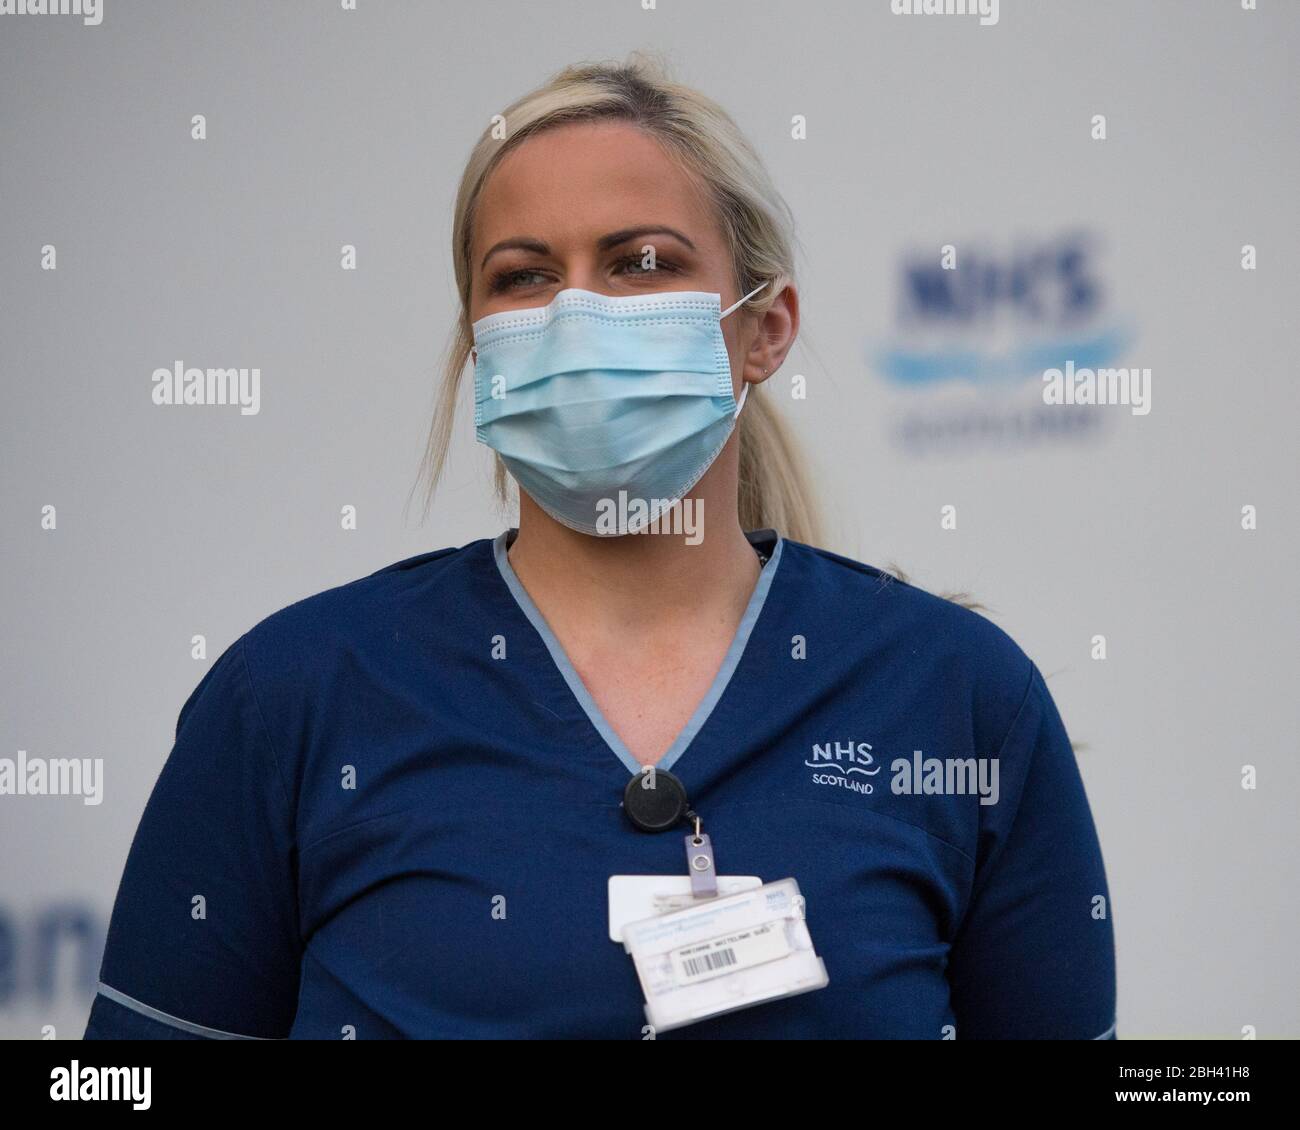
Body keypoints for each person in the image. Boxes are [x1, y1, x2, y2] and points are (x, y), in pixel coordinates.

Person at [84, 54, 1115, 1040]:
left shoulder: (957, 695)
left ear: (764, 327)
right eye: (524, 277)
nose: (577, 314)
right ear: (479, 347)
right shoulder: (293, 699)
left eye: (642, 262)